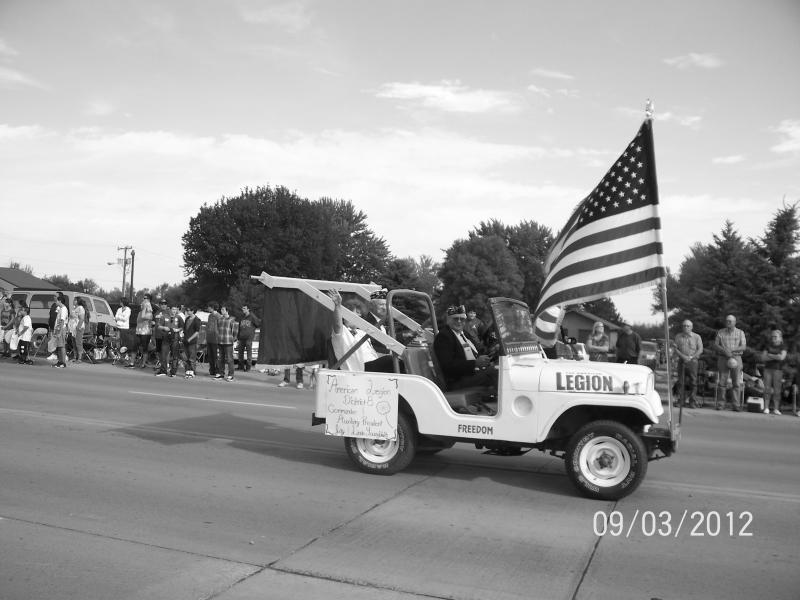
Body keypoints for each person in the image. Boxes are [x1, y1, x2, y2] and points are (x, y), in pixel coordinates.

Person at [327, 290, 397, 373]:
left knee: (399, 361)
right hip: (358, 370)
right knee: (390, 361)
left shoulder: (362, 333)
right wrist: (337, 306)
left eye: (360, 313)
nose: (359, 315)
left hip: (372, 368)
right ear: (345, 315)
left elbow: (372, 353)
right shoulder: (342, 332)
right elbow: (337, 324)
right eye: (356, 312)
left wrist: (393, 355)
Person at [433, 304, 496, 391]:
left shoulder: (464, 333)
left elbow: (478, 351)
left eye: (462, 319)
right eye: (455, 319)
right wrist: (475, 363)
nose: (459, 321)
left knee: (498, 368)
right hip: (457, 381)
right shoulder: (444, 337)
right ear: (448, 320)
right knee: (496, 373)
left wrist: (493, 350)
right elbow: (448, 367)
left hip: (473, 374)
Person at [712, 314, 747, 411]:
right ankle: (721, 404)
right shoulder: (721, 332)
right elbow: (716, 345)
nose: (728, 322)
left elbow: (743, 346)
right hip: (723, 357)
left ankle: (736, 405)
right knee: (722, 382)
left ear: (735, 322)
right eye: (727, 321)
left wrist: (731, 350)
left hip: (736, 357)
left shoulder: (740, 332)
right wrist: (724, 351)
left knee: (736, 383)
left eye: (730, 321)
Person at [672, 320, 704, 408]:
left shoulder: (697, 337)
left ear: (691, 327)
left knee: (693, 382)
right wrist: (683, 357)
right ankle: (680, 401)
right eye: (684, 326)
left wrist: (691, 357)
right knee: (680, 382)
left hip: (693, 362)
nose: (686, 327)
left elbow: (700, 349)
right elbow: (675, 349)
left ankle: (692, 401)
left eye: (688, 326)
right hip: (681, 361)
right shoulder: (678, 336)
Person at [761, 328, 786, 415]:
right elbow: (763, 358)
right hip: (767, 369)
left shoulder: (783, 346)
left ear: (780, 338)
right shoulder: (768, 346)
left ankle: (776, 409)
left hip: (778, 370)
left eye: (775, 337)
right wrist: (776, 356)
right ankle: (766, 408)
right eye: (772, 337)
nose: (773, 338)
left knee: (777, 390)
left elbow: (781, 357)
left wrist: (770, 355)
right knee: (767, 389)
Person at [155, 304, 184, 377]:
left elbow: (182, 327)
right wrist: (164, 328)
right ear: (169, 309)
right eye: (173, 309)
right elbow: (158, 326)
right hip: (166, 337)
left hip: (175, 337)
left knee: (175, 356)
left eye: (175, 309)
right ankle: (163, 371)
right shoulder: (164, 316)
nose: (174, 311)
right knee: (163, 355)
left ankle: (173, 372)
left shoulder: (179, 317)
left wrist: (178, 330)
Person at [364, 289, 389, 354]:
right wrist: (390, 352)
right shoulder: (366, 322)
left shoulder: (381, 321)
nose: (384, 308)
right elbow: (371, 346)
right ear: (371, 306)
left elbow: (387, 340)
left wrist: (404, 335)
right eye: (381, 305)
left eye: (386, 305)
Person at [216, 305, 238, 381]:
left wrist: (233, 340)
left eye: (223, 310)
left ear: (227, 311)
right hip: (220, 342)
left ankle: (231, 375)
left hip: (228, 342)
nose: (221, 311)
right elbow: (218, 330)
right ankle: (221, 374)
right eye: (221, 309)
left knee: (229, 359)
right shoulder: (220, 319)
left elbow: (235, 331)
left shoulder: (231, 320)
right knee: (220, 359)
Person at [236, 304, 261, 372]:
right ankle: (240, 366)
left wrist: (252, 330)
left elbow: (258, 324)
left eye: (244, 308)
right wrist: (238, 337)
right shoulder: (242, 317)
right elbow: (239, 328)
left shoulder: (252, 317)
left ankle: (248, 367)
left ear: (248, 309)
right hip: (241, 338)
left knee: (248, 353)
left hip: (249, 338)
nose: (243, 310)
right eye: (242, 308)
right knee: (240, 353)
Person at [134, 294, 153, 368]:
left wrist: (145, 307)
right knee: (135, 346)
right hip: (138, 331)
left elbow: (143, 316)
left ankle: (143, 363)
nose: (144, 300)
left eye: (146, 298)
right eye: (143, 298)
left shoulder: (149, 313)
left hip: (146, 332)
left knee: (144, 348)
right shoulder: (140, 312)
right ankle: (132, 363)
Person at [183, 305, 200, 379]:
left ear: (193, 311)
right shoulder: (187, 319)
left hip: (192, 341)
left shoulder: (197, 320)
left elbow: (197, 332)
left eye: (189, 310)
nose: (187, 312)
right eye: (187, 310)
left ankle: (192, 371)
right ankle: (187, 371)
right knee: (186, 357)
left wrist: (190, 339)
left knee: (192, 358)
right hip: (185, 340)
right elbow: (184, 329)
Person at [52, 294, 69, 368]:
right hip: (58, 329)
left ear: (60, 301)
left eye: (56, 301)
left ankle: (63, 363)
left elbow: (62, 321)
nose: (55, 302)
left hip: (61, 329)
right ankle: (59, 361)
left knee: (62, 346)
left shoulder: (64, 309)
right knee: (58, 346)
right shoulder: (60, 308)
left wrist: (59, 332)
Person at [205, 302, 221, 378]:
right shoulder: (210, 316)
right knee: (210, 356)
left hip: (216, 339)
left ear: (212, 307)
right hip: (209, 338)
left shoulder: (218, 316)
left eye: (209, 307)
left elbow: (220, 327)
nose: (208, 308)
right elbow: (208, 326)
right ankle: (212, 371)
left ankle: (218, 371)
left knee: (216, 356)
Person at [72, 298, 87, 363]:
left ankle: (80, 358)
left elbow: (82, 318)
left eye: (75, 300)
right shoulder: (74, 308)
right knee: (74, 343)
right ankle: (75, 357)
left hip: (79, 327)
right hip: (73, 328)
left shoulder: (80, 308)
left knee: (78, 342)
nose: (73, 301)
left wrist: (78, 327)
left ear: (78, 301)